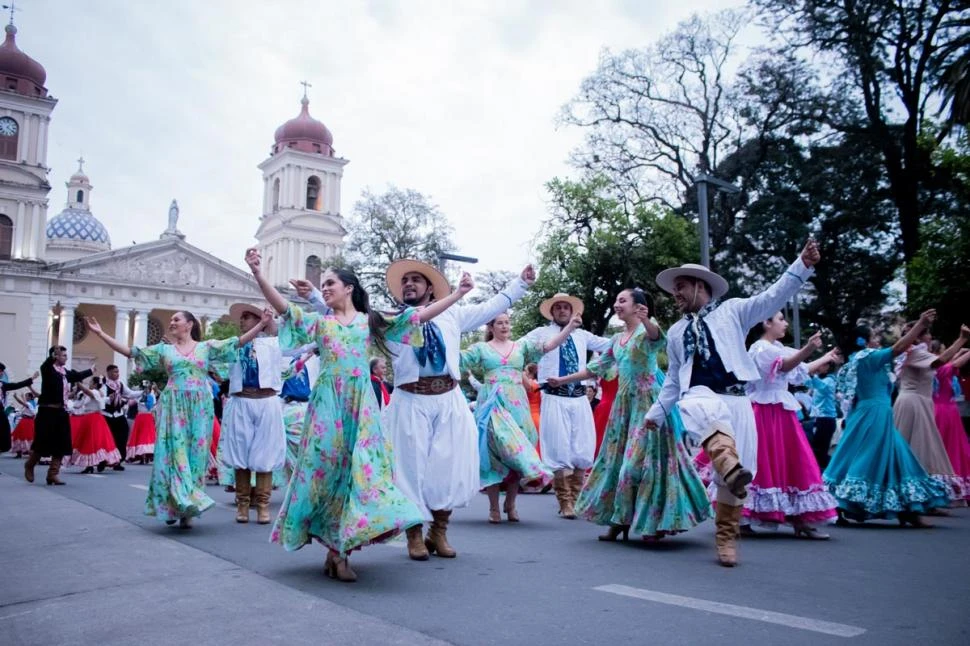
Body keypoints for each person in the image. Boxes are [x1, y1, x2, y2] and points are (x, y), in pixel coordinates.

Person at [246, 248, 471, 582]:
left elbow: (418, 317)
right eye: (323, 285)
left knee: (359, 475)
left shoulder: (370, 322)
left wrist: (458, 294)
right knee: (328, 474)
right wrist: (257, 274)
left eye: (331, 283)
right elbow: (285, 309)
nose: (325, 288)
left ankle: (341, 551)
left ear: (349, 287)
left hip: (362, 408)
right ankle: (333, 550)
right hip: (327, 408)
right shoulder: (320, 323)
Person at [341, 258, 534, 562]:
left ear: (430, 288)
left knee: (448, 468)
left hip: (448, 399)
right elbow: (351, 316)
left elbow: (492, 307)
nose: (409, 284)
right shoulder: (392, 321)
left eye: (416, 280)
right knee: (409, 470)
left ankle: (439, 531)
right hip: (410, 401)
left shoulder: (453, 315)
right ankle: (414, 534)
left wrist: (521, 283)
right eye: (405, 281)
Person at [645, 240, 821, 567]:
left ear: (701, 286)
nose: (676, 294)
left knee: (738, 477)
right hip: (702, 396)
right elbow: (672, 381)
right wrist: (655, 413)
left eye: (681, 287)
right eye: (674, 290)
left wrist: (802, 266)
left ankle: (726, 537)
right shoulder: (675, 333)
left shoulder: (734, 311)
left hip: (739, 400)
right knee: (698, 406)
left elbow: (772, 297)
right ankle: (726, 460)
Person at [549, 288, 712, 542]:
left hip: (649, 405)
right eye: (616, 300)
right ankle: (619, 521)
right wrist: (562, 379)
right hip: (624, 408)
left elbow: (658, 339)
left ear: (638, 307)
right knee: (614, 464)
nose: (616, 304)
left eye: (621, 300)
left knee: (639, 466)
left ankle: (653, 523)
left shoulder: (646, 330)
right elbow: (596, 368)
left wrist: (647, 320)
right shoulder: (616, 340)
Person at [85, 311, 267, 527]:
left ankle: (188, 508)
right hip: (173, 406)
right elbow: (130, 352)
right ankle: (174, 503)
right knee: (172, 456)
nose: (171, 322)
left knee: (196, 458)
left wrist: (262, 324)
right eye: (171, 319)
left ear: (189, 324)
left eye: (176, 320)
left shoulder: (206, 347)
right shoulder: (164, 350)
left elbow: (236, 342)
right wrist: (100, 333)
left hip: (200, 408)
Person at [825, 312, 951, 525]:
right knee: (872, 456)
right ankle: (902, 509)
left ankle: (907, 509)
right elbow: (898, 348)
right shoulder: (868, 357)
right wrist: (920, 325)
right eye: (874, 336)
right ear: (864, 341)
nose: (878, 339)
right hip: (874, 414)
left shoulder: (858, 360)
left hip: (872, 413)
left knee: (887, 454)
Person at [461, 312, 580, 523]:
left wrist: (569, 327)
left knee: (516, 454)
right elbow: (459, 360)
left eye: (507, 322)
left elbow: (548, 346)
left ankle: (511, 504)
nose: (505, 326)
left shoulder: (521, 346)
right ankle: (494, 508)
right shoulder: (481, 349)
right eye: (500, 323)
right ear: (491, 327)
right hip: (492, 404)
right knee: (493, 454)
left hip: (517, 404)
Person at [743, 317, 842, 537]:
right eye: (780, 319)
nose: (785, 323)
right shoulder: (760, 348)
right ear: (767, 323)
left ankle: (801, 518)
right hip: (764, 411)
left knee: (793, 459)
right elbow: (785, 366)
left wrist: (826, 356)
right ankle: (745, 516)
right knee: (762, 460)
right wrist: (808, 348)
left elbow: (801, 368)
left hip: (781, 411)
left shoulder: (777, 347)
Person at [523, 293, 612, 519]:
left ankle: (577, 498)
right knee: (558, 447)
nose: (563, 310)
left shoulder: (582, 335)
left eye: (566, 307)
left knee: (583, 447)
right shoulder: (542, 333)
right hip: (554, 396)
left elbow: (611, 344)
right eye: (558, 308)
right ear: (552, 312)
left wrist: (633, 331)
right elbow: (520, 347)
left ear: (572, 312)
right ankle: (565, 502)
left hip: (580, 397)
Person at [222, 303, 287, 524]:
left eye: (247, 317)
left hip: (267, 401)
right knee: (240, 454)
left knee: (265, 455)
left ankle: (262, 505)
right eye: (242, 318)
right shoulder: (233, 345)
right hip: (242, 401)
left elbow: (291, 336)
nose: (242, 320)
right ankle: (242, 504)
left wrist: (268, 321)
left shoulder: (274, 344)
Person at [892, 322, 969, 504]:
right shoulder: (915, 352)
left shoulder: (915, 353)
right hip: (914, 403)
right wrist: (962, 339)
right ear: (919, 336)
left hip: (919, 402)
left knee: (925, 451)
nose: (930, 338)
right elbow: (941, 361)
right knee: (918, 450)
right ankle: (912, 501)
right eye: (928, 335)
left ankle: (924, 500)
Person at [24, 347, 93, 485]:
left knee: (61, 443)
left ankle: (53, 474)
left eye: (66, 355)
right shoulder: (48, 370)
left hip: (61, 412)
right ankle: (30, 465)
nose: (66, 358)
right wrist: (53, 354)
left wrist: (91, 370)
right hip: (47, 411)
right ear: (55, 356)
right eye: (63, 355)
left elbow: (77, 376)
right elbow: (46, 364)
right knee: (42, 442)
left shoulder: (65, 373)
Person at [70, 376, 122, 473]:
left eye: (91, 382)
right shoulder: (94, 394)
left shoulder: (95, 392)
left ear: (94, 384)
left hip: (94, 419)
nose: (89, 383)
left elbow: (89, 392)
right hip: (88, 418)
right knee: (88, 441)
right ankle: (90, 464)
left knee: (95, 441)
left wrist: (78, 383)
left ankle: (100, 461)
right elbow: (77, 405)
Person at [102, 365, 141, 471]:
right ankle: (103, 460)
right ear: (109, 372)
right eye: (115, 372)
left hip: (118, 415)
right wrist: (108, 399)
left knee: (122, 437)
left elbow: (130, 394)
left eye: (118, 372)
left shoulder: (120, 384)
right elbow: (100, 398)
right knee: (106, 439)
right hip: (107, 415)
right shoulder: (104, 384)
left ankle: (118, 461)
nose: (117, 374)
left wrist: (142, 392)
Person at [807, 360, 839, 470]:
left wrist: (811, 374)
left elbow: (821, 386)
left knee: (820, 450)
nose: (819, 366)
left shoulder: (830, 380)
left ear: (828, 367)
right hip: (819, 418)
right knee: (817, 449)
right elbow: (807, 383)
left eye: (822, 364)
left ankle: (823, 475)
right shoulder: (820, 379)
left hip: (826, 419)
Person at [1, 362, 37, 454]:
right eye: (0, 371)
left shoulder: (2, 385)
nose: (1, 373)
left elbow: (17, 385)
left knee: (4, 430)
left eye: (1, 371)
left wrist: (31, 379)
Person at [127, 385, 157, 464]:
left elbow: (151, 407)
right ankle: (141, 456)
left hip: (147, 417)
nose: (146, 390)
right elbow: (131, 403)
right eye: (144, 388)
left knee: (147, 436)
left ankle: (146, 455)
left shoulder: (151, 396)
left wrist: (145, 399)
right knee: (140, 436)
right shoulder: (139, 396)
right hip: (140, 417)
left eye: (147, 388)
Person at [11, 390, 39, 457]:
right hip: (27, 421)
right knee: (20, 435)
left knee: (24, 436)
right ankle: (20, 451)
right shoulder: (32, 403)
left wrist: (16, 397)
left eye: (27, 396)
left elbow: (22, 403)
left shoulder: (29, 404)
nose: (26, 397)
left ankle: (26, 451)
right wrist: (22, 396)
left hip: (26, 421)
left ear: (30, 397)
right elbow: (24, 403)